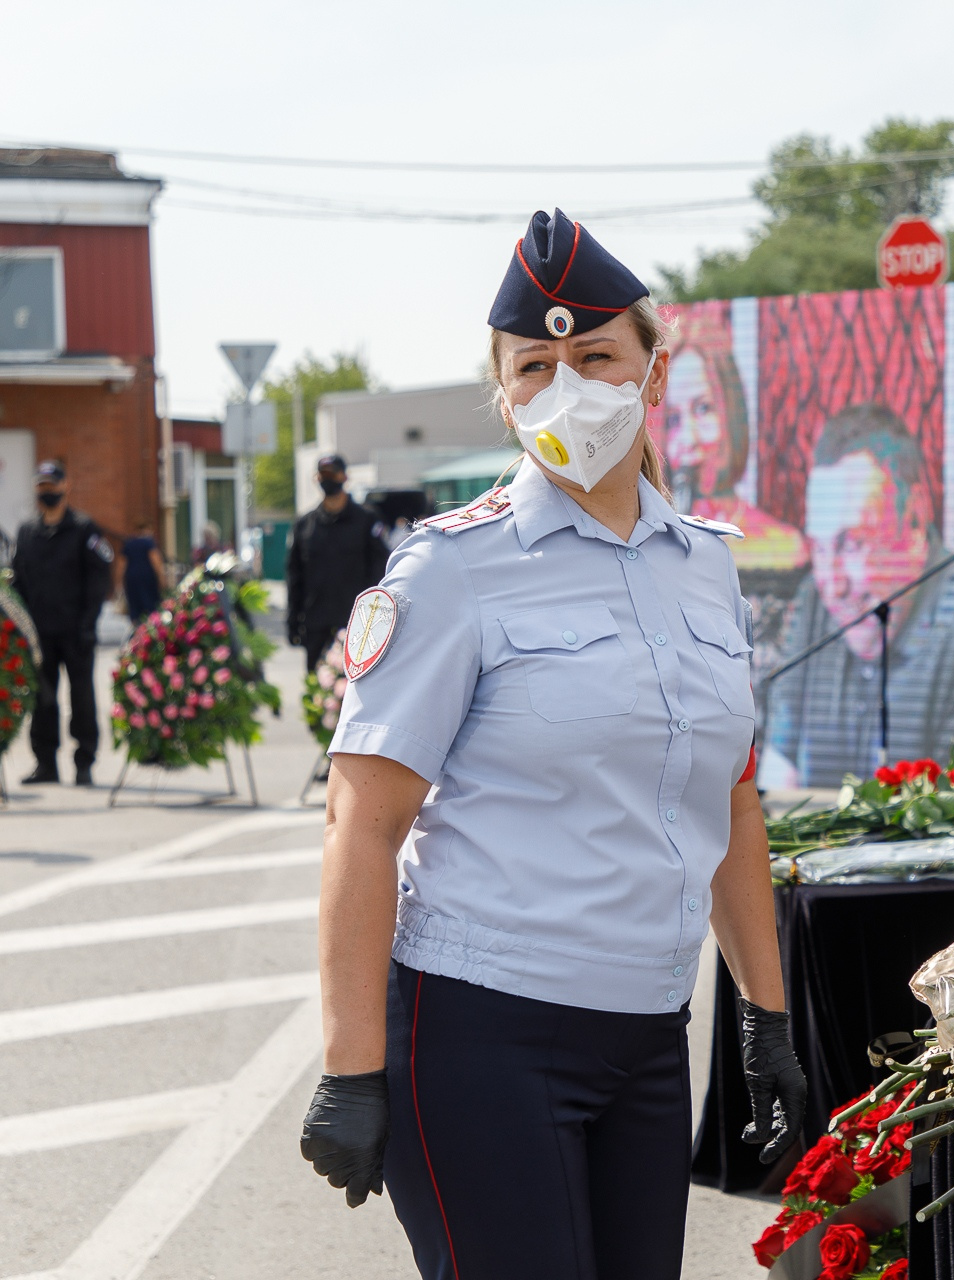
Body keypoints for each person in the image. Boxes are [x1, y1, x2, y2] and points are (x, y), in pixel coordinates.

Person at [298, 209, 804, 1280]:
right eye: (535, 364)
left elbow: (732, 802)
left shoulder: (705, 566)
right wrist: (351, 1064)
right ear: (504, 394)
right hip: (484, 1031)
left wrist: (766, 1014)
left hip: (648, 1036)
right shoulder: (450, 571)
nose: (567, 384)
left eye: (596, 356)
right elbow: (363, 820)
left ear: (654, 375)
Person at [759, 404, 954, 788]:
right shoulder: (814, 600)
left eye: (852, 544)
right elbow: (778, 780)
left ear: (915, 516)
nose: (833, 585)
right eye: (819, 549)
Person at [659, 311, 806, 574]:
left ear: (732, 410)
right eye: (673, 420)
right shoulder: (654, 540)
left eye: (704, 408)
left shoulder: (783, 545)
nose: (689, 439)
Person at [10, 461, 113, 787]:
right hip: (40, 634)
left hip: (76, 632)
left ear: (66, 486)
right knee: (42, 701)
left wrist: (88, 622)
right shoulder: (27, 532)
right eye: (42, 487)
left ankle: (84, 762)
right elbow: (17, 584)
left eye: (52, 486)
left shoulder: (85, 529)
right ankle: (46, 765)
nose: (47, 492)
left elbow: (99, 580)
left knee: (82, 698)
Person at [286, 455, 391, 671]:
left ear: (345, 477)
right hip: (317, 625)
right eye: (324, 475)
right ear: (317, 479)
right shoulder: (305, 525)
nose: (328, 480)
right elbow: (295, 577)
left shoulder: (367, 520)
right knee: (316, 694)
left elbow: (382, 572)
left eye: (333, 474)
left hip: (358, 626)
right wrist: (293, 621)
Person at [120, 521, 166, 625]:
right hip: (147, 579)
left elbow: (121, 565)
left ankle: (137, 631)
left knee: (135, 607)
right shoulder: (149, 543)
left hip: (131, 579)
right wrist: (162, 580)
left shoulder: (128, 544)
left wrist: (119, 583)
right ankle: (149, 632)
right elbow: (155, 561)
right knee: (151, 607)